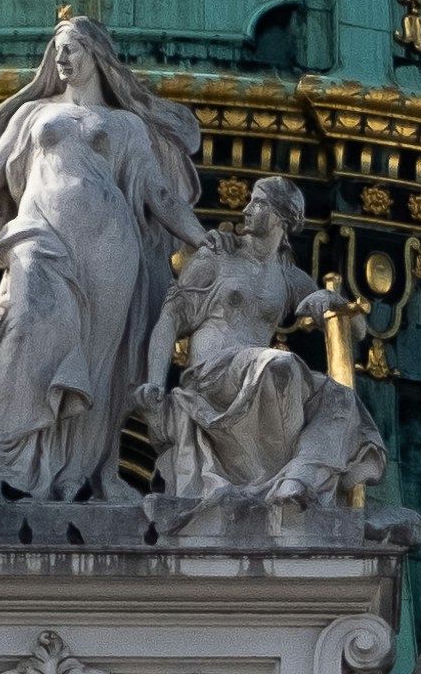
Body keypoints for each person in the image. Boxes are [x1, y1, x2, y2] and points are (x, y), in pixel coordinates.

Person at [0, 12, 205, 502]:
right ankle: (0, 455)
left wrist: (200, 236)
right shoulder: (33, 115)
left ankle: (74, 475)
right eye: (57, 50)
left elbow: (159, 196)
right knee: (28, 327)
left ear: (96, 55)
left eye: (72, 49)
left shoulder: (127, 125)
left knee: (98, 360)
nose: (62, 58)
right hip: (40, 236)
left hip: (111, 247)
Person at [137, 175, 372, 512]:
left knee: (341, 400)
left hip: (257, 374)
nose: (246, 209)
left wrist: (329, 298)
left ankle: (298, 479)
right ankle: (279, 478)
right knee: (280, 364)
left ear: (282, 216)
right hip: (211, 375)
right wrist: (155, 381)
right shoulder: (217, 257)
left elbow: (358, 330)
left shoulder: (289, 278)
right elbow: (170, 319)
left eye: (258, 202)